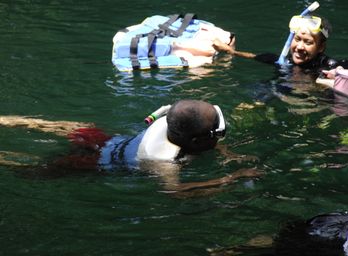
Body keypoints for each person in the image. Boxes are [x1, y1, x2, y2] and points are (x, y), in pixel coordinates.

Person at [0, 100, 261, 195]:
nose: (219, 138)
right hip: (101, 163)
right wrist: (230, 178)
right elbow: (176, 191)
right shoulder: (164, 163)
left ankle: (13, 121)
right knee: (40, 169)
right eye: (216, 134)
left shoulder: (171, 121)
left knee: (81, 127)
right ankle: (7, 160)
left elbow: (204, 141)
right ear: (195, 142)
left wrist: (230, 154)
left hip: (111, 141)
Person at [213, 15, 348, 75]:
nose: (299, 47)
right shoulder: (284, 61)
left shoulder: (328, 65)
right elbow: (255, 56)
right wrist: (229, 50)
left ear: (321, 48)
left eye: (308, 42)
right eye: (297, 39)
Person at [209, 209, 348, 256]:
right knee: (279, 245)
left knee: (281, 240)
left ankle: (234, 249)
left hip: (342, 221)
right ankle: (233, 249)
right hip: (332, 239)